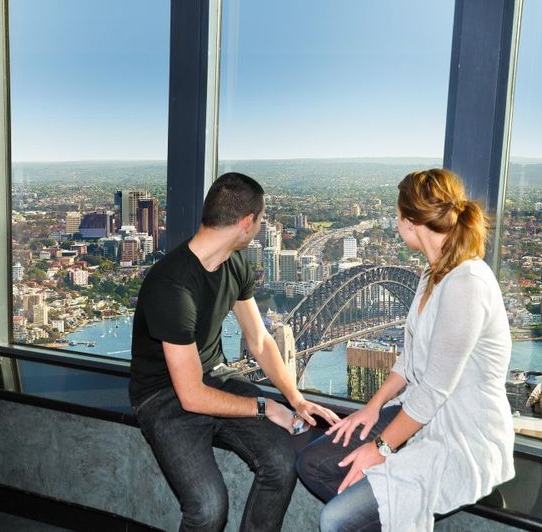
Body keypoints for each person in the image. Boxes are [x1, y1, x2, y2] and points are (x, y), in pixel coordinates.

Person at [296, 168, 515, 531]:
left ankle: (384, 503)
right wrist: (373, 406)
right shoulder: (432, 275)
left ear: (411, 221)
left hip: (459, 435)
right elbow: (410, 358)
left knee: (335, 520)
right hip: (421, 416)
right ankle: (384, 506)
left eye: (398, 215)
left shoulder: (467, 284)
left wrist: (379, 449)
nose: (395, 223)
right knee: (313, 462)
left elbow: (433, 390)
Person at [130, 172, 339, 532]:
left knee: (280, 461)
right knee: (208, 507)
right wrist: (264, 406)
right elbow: (191, 396)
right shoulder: (173, 284)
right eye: (260, 219)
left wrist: (296, 399)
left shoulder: (235, 263)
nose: (260, 225)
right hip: (164, 397)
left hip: (214, 377)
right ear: (246, 222)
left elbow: (259, 341)